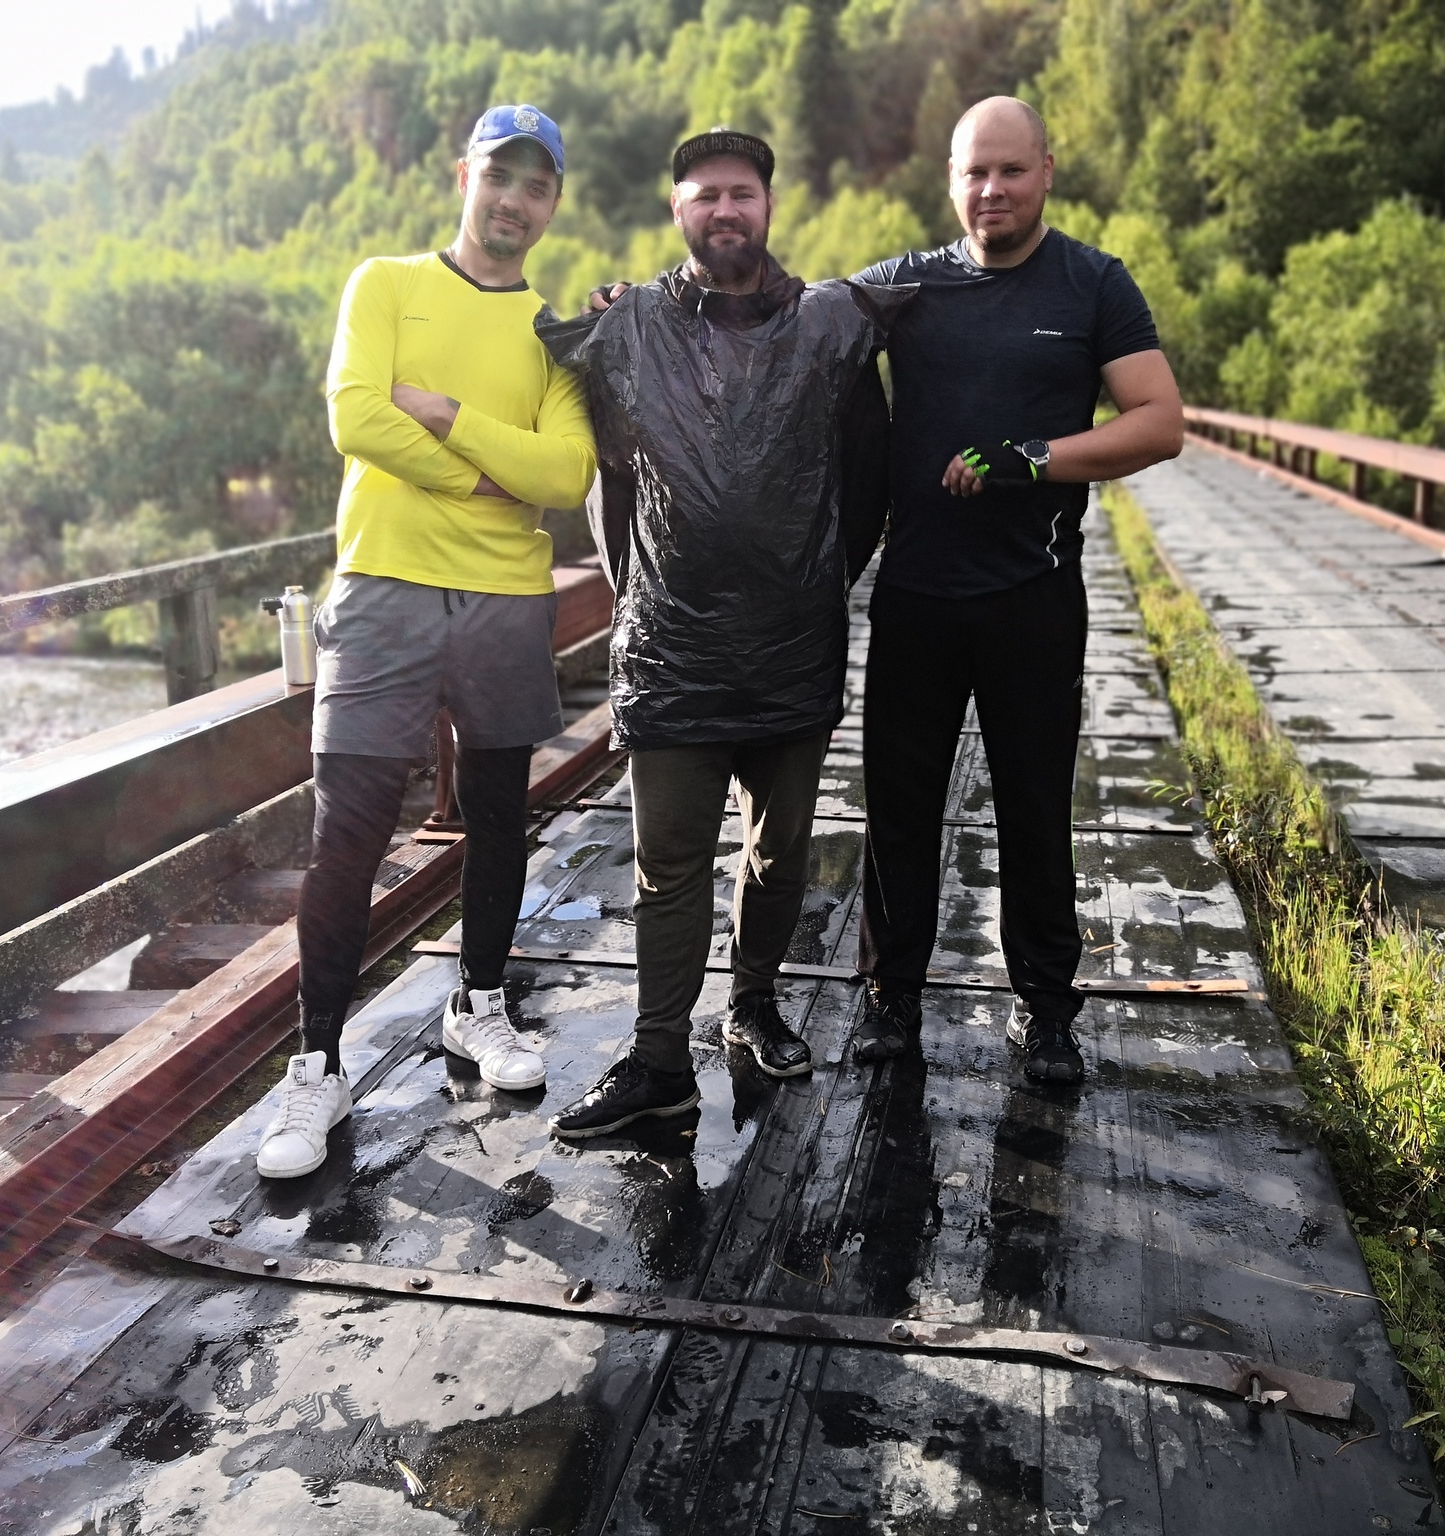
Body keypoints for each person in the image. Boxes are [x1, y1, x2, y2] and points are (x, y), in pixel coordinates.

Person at [541, 128, 905, 1139]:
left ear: (768, 206)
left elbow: (867, 479)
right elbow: (606, 483)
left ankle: (752, 1005)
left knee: (778, 854)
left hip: (793, 644)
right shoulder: (632, 328)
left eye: (739, 193)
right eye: (703, 196)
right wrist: (639, 595)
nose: (723, 210)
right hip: (671, 657)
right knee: (665, 866)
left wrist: (816, 582)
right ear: (677, 213)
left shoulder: (828, 329)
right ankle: (656, 1056)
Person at [257, 104, 597, 1179]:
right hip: (382, 587)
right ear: (466, 176)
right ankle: (316, 1064)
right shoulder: (386, 283)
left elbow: (565, 479)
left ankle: (479, 1005)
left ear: (552, 204)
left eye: (536, 185)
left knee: (502, 814)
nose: (514, 200)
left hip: (503, 594)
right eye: (500, 175)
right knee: (348, 828)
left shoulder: (553, 335)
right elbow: (356, 417)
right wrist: (487, 478)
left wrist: (445, 417)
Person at [849, 96, 1183, 1084]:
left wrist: (1033, 458)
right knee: (897, 810)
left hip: (1031, 596)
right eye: (971, 173)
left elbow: (1157, 421)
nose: (989, 190)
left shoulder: (1090, 283)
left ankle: (1045, 1013)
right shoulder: (904, 286)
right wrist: (652, 305)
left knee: (1033, 808)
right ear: (948, 181)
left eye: (1009, 170)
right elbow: (784, 320)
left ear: (1046, 168)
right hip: (913, 592)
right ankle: (888, 1001)